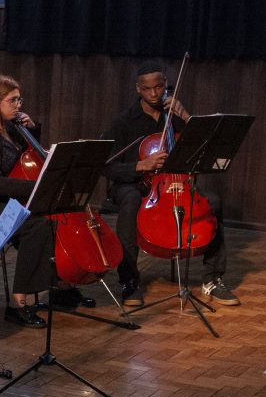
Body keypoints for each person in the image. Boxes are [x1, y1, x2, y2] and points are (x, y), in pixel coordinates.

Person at [0, 74, 96, 328]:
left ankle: (61, 285)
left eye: (19, 99)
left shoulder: (14, 130)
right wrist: (36, 187)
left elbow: (31, 160)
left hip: (13, 200)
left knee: (53, 214)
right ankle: (18, 303)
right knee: (37, 226)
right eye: (12, 100)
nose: (18, 104)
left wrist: (32, 130)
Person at [101, 62, 238, 307]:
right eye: (147, 89)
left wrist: (184, 115)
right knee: (131, 201)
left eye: (159, 87)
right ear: (137, 89)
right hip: (135, 183)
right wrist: (140, 166)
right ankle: (129, 282)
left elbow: (204, 147)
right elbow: (106, 166)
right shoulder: (124, 122)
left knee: (213, 202)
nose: (154, 94)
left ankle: (213, 279)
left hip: (176, 184)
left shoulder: (176, 117)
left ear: (166, 85)